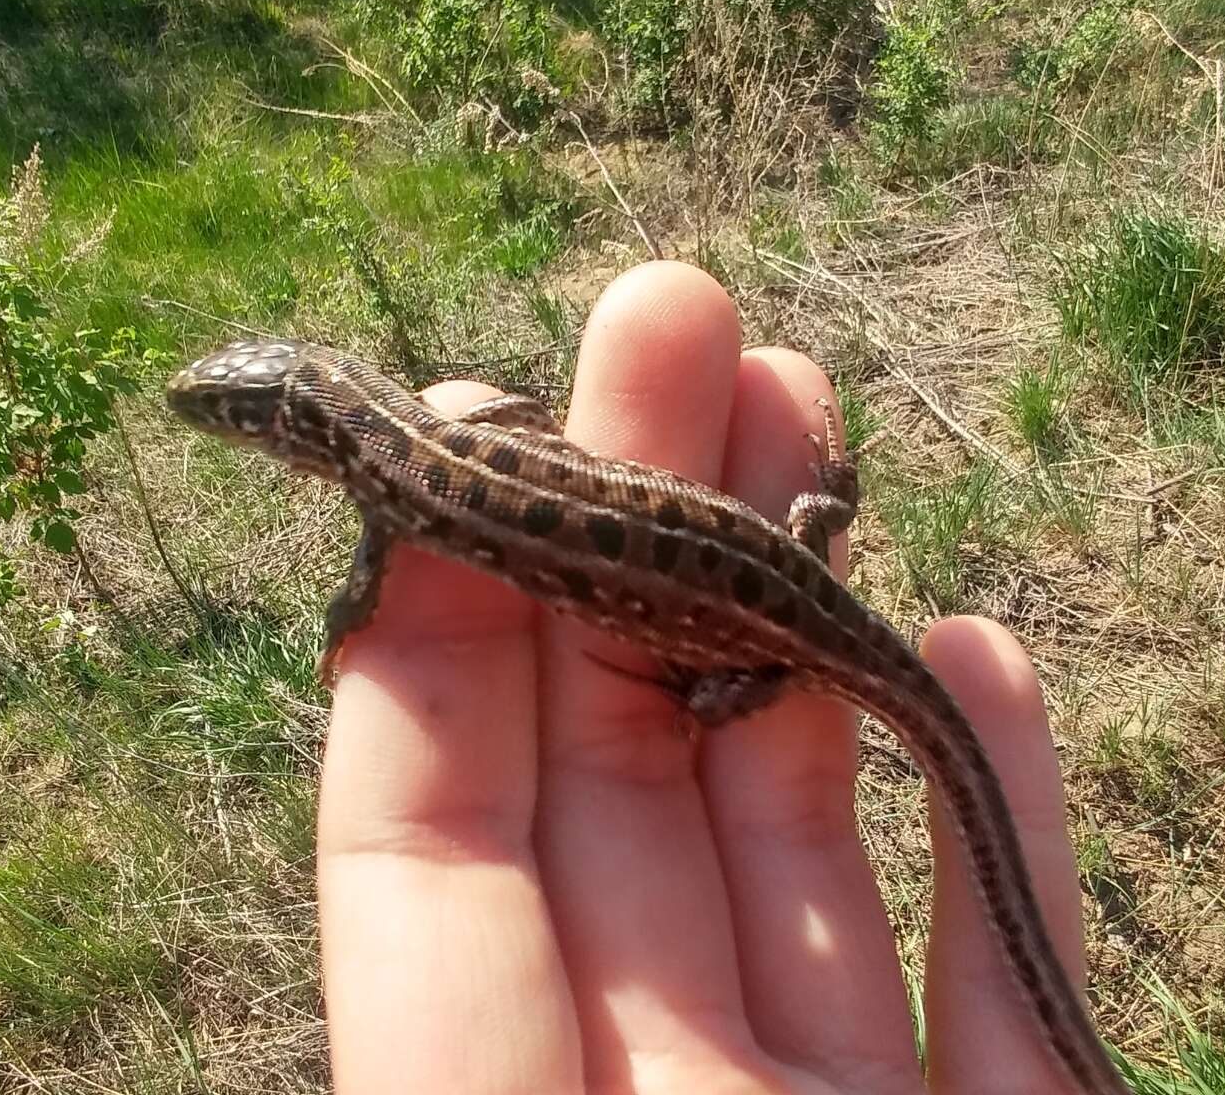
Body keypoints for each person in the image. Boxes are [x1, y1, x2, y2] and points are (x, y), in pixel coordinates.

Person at [315, 260, 1090, 1093]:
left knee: (724, 693)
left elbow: (364, 592)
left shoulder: (389, 490)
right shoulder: (450, 436)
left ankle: (710, 695)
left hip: (781, 644)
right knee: (806, 527)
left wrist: (699, 698)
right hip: (783, 576)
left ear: (300, 431)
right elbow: (527, 413)